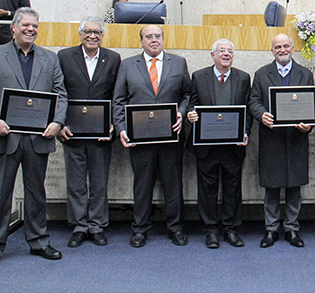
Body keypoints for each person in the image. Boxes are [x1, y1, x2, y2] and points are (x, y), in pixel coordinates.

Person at [0, 7, 67, 270]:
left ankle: (38, 241)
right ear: (13, 28)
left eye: (35, 26)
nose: (31, 29)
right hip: (4, 136)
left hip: (38, 137)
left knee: (36, 193)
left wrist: (57, 122)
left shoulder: (50, 59)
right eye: (25, 25)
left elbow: (61, 94)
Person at [112, 24, 191, 248]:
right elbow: (119, 101)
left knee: (173, 184)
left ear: (163, 39)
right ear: (141, 41)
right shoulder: (127, 65)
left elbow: (188, 94)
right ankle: (140, 229)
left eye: (157, 36)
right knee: (142, 184)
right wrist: (121, 129)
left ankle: (175, 228)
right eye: (149, 37)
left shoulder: (178, 63)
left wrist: (181, 113)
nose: (154, 40)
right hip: (141, 138)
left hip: (170, 136)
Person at [57, 17, 121, 248]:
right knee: (75, 182)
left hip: (101, 132)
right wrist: (59, 122)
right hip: (72, 131)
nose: (92, 35)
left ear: (103, 35)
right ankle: (79, 226)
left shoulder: (113, 59)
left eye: (96, 32)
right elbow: (59, 91)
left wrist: (113, 124)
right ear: (80, 34)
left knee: (99, 182)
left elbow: (117, 95)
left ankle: (96, 225)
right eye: (87, 31)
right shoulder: (64, 57)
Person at [248, 33, 315, 248]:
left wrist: (309, 124)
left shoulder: (305, 74)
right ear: (272, 51)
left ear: (293, 49)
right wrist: (261, 115)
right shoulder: (261, 74)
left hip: (296, 139)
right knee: (271, 187)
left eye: (286, 46)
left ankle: (292, 229)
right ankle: (271, 230)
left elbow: (312, 104)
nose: (282, 50)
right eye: (278, 47)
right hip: (272, 139)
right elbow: (253, 102)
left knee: (294, 187)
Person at [185, 39, 251, 249]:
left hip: (233, 146)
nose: (226, 54)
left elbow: (248, 110)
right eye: (221, 51)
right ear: (212, 54)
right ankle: (211, 230)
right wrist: (191, 115)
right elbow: (193, 103)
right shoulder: (199, 76)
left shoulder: (243, 78)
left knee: (233, 188)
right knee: (207, 190)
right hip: (207, 146)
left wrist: (246, 132)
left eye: (230, 51)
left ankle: (231, 229)